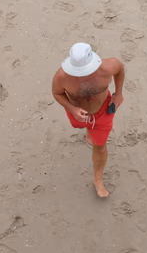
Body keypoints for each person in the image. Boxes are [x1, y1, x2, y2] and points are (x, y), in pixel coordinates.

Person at [52, 43, 125, 198]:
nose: (82, 75)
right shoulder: (62, 76)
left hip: (102, 113)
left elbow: (120, 70)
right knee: (82, 128)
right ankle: (88, 131)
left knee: (100, 147)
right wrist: (72, 109)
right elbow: (57, 93)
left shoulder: (108, 66)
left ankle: (98, 180)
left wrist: (118, 94)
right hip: (78, 114)